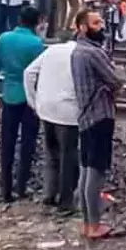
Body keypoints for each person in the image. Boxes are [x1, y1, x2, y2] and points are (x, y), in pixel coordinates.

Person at [72, 9, 124, 239]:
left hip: (84, 117)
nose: (101, 26)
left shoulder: (77, 51)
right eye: (95, 23)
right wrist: (119, 75)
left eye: (101, 21)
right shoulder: (93, 53)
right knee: (96, 171)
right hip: (100, 116)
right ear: (83, 27)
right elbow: (115, 79)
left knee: (85, 169)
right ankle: (95, 225)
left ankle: (86, 223)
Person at [0, 5, 46, 202]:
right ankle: (21, 186)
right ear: (37, 22)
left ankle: (5, 188)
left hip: (9, 95)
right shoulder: (36, 44)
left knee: (7, 142)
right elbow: (39, 75)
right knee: (28, 144)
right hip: (30, 99)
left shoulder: (4, 39)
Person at [24, 33, 80, 214]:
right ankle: (66, 201)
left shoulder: (52, 50)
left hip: (46, 109)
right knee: (68, 155)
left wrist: (34, 101)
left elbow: (29, 73)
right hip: (68, 112)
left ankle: (49, 194)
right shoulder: (81, 53)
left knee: (51, 153)